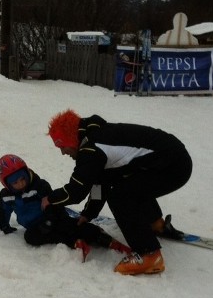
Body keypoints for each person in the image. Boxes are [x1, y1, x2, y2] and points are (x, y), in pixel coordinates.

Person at [42, 110, 192, 276]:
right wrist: (89, 213)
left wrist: (50, 199)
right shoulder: (94, 135)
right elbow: (101, 181)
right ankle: (155, 223)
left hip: (173, 167)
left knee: (121, 196)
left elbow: (76, 191)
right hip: (172, 160)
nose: (63, 152)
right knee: (126, 183)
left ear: (71, 139)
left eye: (62, 146)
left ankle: (149, 254)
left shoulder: (91, 149)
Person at [0, 154, 129, 260]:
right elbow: (3, 209)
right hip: (35, 226)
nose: (21, 184)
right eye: (15, 182)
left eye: (23, 179)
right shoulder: (7, 196)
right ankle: (74, 242)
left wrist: (49, 220)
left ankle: (101, 237)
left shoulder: (39, 186)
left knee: (70, 226)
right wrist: (2, 224)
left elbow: (52, 204)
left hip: (53, 217)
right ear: (7, 184)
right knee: (30, 237)